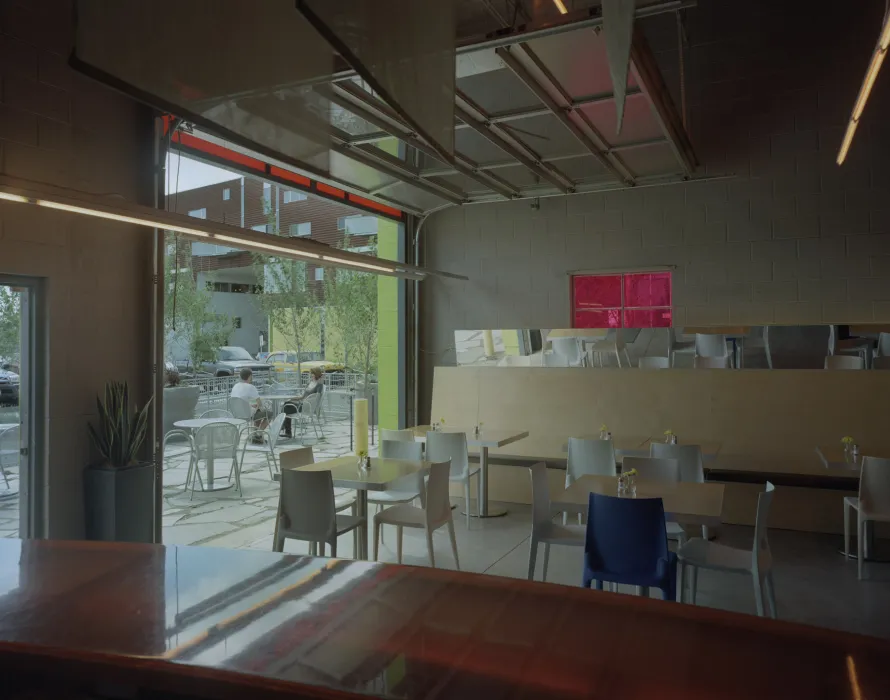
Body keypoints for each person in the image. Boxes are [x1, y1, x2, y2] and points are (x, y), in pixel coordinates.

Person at [281, 367, 325, 438]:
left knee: (286, 407)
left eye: (312, 374)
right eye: (311, 374)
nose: (311, 375)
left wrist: (321, 380)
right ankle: (286, 430)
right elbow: (302, 397)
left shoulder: (319, 385)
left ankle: (285, 428)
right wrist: (291, 398)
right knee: (286, 404)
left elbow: (317, 397)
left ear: (316, 374)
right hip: (302, 404)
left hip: (307, 407)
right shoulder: (309, 383)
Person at [230, 368, 271, 443]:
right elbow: (259, 403)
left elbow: (242, 400)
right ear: (249, 376)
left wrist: (253, 405)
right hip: (248, 415)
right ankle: (258, 433)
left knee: (258, 413)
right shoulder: (251, 387)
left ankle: (256, 437)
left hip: (236, 414)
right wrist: (256, 405)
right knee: (270, 414)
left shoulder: (235, 386)